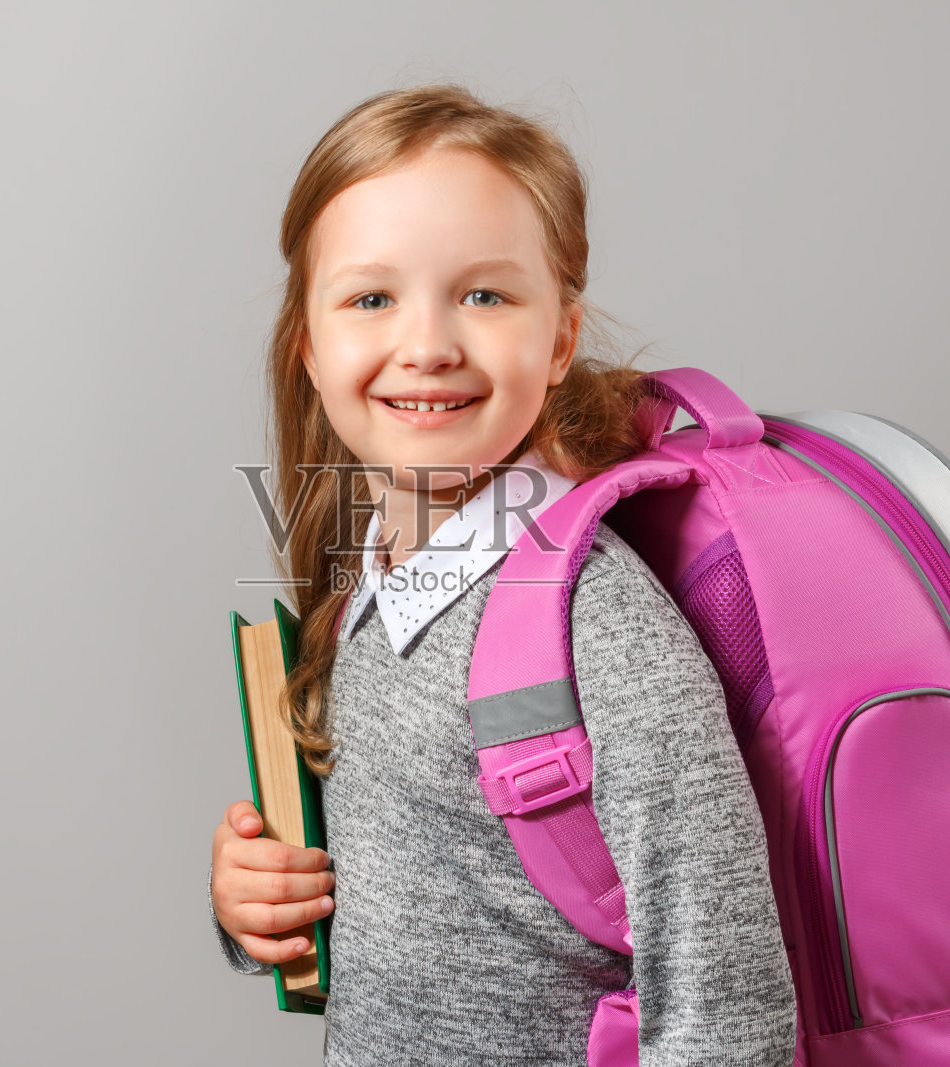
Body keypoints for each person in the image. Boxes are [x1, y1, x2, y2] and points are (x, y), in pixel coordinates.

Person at [208, 82, 796, 1065]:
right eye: (370, 297)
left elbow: (728, 1004)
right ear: (310, 347)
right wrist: (255, 910)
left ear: (559, 338)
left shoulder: (597, 625)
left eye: (484, 294)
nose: (429, 345)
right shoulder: (367, 589)